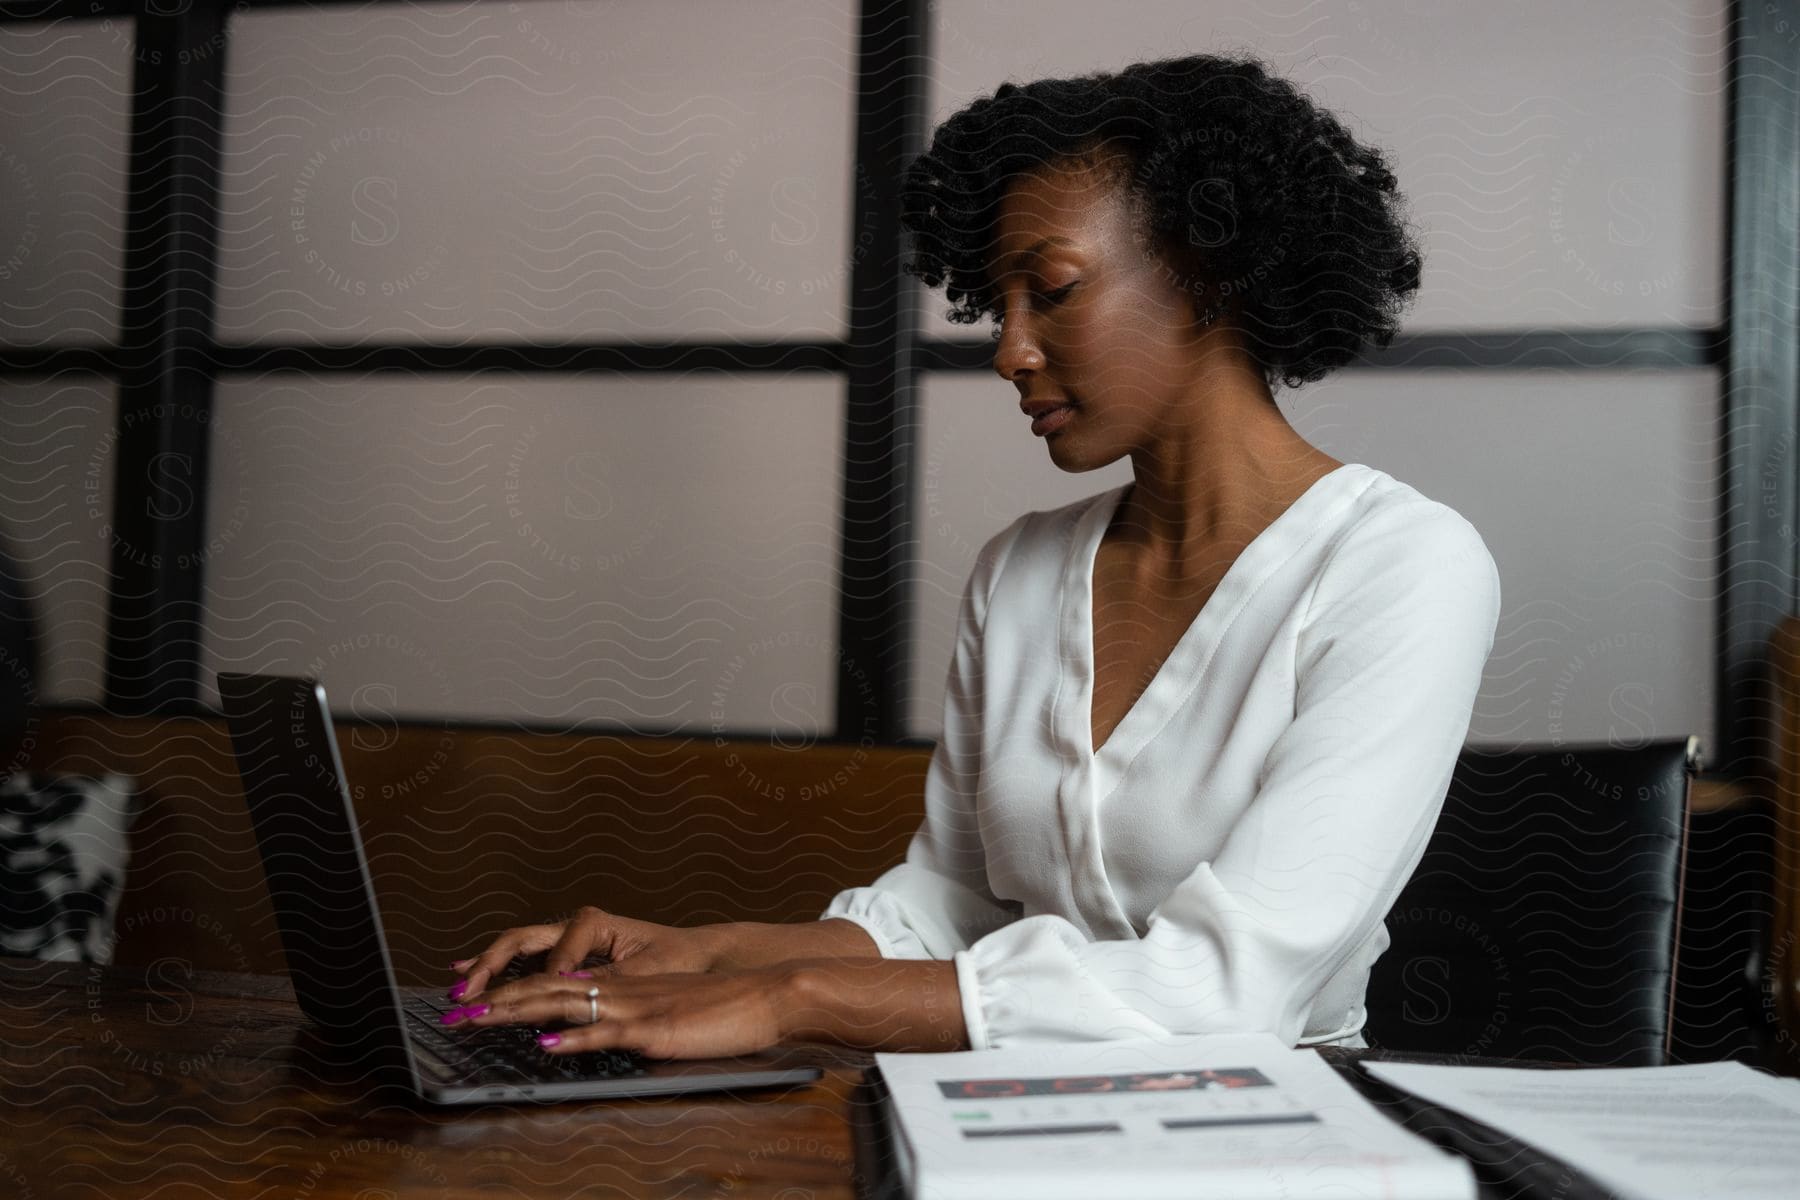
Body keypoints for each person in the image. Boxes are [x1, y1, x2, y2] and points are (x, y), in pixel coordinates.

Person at [443, 51, 1501, 1060]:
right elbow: (948, 907)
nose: (1008, 350)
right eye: (997, 304)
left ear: (1205, 271)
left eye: (1053, 289)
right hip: (1006, 1100)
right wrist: (703, 952)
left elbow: (1226, 991)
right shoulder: (1023, 570)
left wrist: (780, 997)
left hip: (1274, 1125)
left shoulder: (1402, 566)